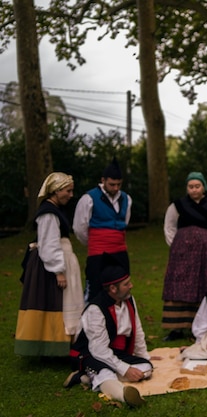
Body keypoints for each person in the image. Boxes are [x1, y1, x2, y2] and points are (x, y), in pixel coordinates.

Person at [64, 253, 153, 408]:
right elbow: (98, 350)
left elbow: (137, 330)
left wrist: (143, 356)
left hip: (113, 352)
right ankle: (124, 396)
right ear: (112, 288)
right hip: (89, 353)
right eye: (126, 284)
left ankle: (86, 378)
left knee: (146, 368)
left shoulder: (129, 300)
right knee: (107, 373)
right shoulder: (96, 309)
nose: (131, 285)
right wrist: (125, 369)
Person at [15, 172, 84, 356]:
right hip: (52, 264)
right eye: (67, 191)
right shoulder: (48, 213)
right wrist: (58, 271)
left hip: (60, 260)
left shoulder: (54, 209)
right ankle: (53, 347)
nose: (70, 195)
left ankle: (62, 345)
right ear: (56, 190)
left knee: (58, 302)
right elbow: (49, 242)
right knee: (55, 302)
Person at [161, 171, 207, 341]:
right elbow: (169, 226)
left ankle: (201, 327)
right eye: (190, 187)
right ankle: (176, 328)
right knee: (178, 285)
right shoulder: (178, 205)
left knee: (204, 284)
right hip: (182, 255)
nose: (194, 190)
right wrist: (177, 245)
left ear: (203, 187)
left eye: (197, 186)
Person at [73, 157, 132, 302]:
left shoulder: (126, 199)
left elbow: (124, 222)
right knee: (96, 289)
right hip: (98, 253)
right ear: (103, 180)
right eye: (112, 184)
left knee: (122, 289)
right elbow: (79, 228)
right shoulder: (89, 199)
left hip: (120, 252)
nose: (116, 188)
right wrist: (96, 242)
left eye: (119, 184)